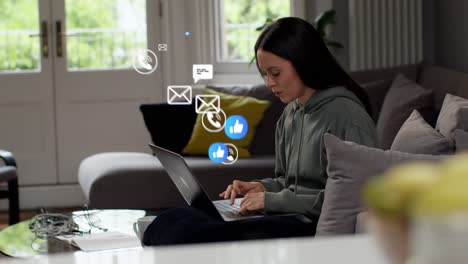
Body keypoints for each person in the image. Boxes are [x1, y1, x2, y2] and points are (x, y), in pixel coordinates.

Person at [143, 17, 377, 246]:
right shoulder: (290, 114)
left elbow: (357, 196)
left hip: (311, 226)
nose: (269, 83)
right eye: (264, 74)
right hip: (285, 216)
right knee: (170, 220)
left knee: (187, 234)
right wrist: (261, 187)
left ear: (304, 62)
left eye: (275, 73)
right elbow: (288, 182)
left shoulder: (347, 115)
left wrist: (272, 200)